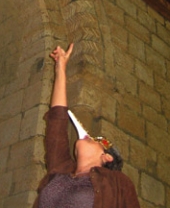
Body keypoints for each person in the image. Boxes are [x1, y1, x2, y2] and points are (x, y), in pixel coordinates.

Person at [33, 43, 141, 208]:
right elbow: (57, 120)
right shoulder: (61, 169)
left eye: (98, 139)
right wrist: (60, 67)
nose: (90, 137)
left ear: (107, 157)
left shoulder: (118, 183)